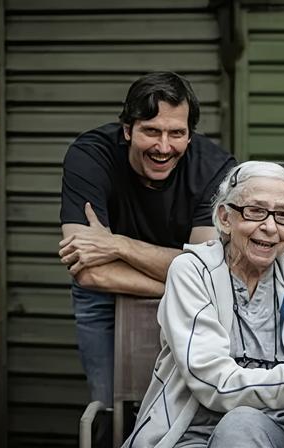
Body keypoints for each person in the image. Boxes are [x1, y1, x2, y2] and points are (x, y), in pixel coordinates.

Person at [122, 161, 284, 448]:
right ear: (225, 218)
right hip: (188, 435)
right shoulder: (192, 271)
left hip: (276, 436)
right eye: (256, 211)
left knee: (241, 424)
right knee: (238, 423)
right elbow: (214, 382)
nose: (270, 227)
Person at [58, 72, 237, 405]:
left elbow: (209, 273)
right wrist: (189, 281)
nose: (164, 147)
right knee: (111, 408)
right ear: (128, 130)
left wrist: (116, 245)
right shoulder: (90, 156)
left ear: (190, 135)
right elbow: (87, 270)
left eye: (177, 134)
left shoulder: (215, 168)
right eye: (151, 131)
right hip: (103, 294)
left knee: (183, 406)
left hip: (189, 301)